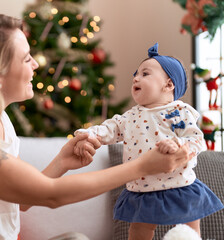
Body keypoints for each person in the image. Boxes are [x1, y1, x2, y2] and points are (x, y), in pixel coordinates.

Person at [0, 15, 194, 240]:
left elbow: (21, 199)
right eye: (26, 58)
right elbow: (51, 195)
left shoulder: (0, 119)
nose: (35, 65)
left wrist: (62, 161)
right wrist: (141, 166)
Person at [74, 43, 224, 239]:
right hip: (143, 188)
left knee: (189, 229)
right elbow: (109, 129)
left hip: (180, 184)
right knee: (139, 231)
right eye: (136, 75)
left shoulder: (179, 112)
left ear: (169, 85)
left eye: (145, 74)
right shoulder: (130, 117)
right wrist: (90, 134)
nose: (136, 78)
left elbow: (196, 140)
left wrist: (179, 145)